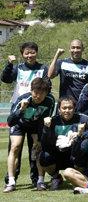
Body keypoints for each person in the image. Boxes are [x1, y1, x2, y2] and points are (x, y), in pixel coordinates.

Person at [2, 42, 50, 186]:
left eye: (32, 52)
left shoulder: (42, 69)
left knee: (35, 148)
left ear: (36, 53)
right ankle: (11, 179)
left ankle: (36, 179)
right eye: (27, 53)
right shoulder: (19, 68)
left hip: (36, 112)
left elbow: (47, 86)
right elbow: (5, 79)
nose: (30, 55)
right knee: (15, 147)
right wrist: (9, 64)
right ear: (23, 55)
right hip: (20, 109)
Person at [4, 78, 55, 193]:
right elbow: (10, 121)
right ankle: (11, 182)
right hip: (19, 124)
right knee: (15, 147)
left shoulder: (49, 100)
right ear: (31, 90)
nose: (38, 96)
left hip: (35, 126)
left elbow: (44, 120)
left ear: (46, 93)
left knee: (38, 149)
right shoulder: (23, 99)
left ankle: (40, 181)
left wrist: (38, 139)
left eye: (41, 94)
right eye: (36, 93)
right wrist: (21, 110)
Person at [39, 96, 88, 191]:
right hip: (58, 155)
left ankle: (77, 178)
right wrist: (46, 128)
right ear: (59, 109)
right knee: (44, 156)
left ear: (74, 108)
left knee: (84, 149)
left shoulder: (83, 119)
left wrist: (80, 134)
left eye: (70, 108)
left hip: (75, 155)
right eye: (64, 108)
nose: (67, 111)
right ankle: (56, 177)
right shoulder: (53, 121)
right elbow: (44, 144)